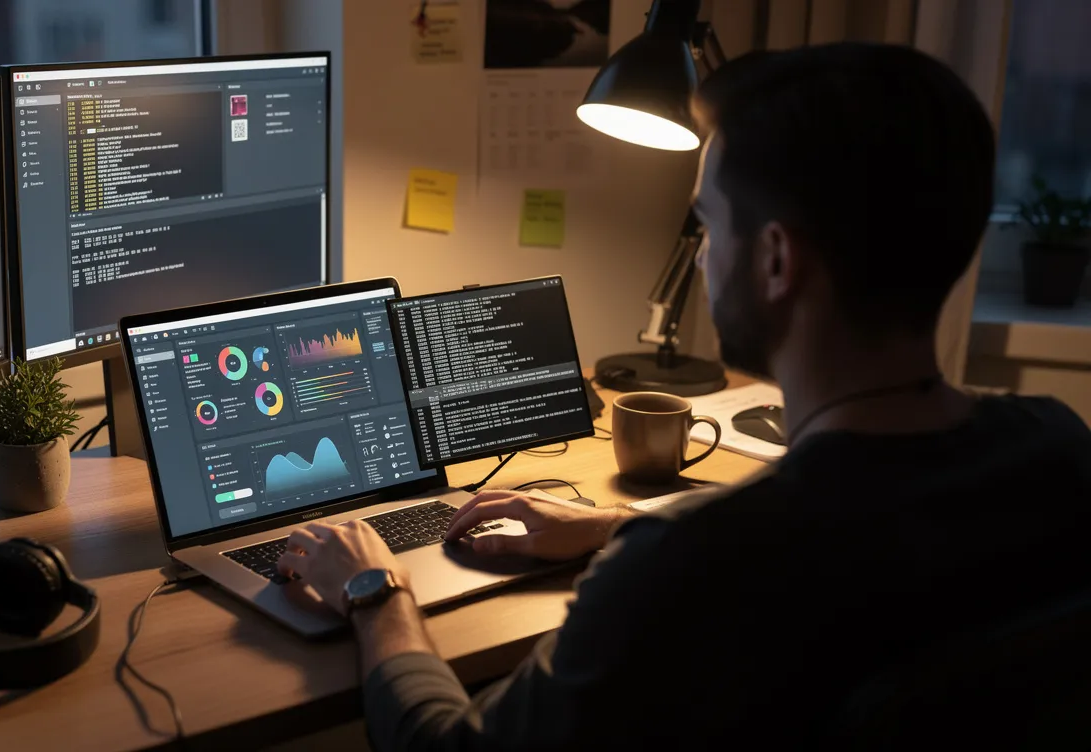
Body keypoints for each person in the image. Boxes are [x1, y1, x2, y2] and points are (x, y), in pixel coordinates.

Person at [276, 43, 1091, 749]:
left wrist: (373, 592)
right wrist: (613, 526)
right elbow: (853, 545)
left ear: (776, 262)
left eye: (706, 223)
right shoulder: (1058, 449)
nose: (699, 259)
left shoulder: (685, 572)